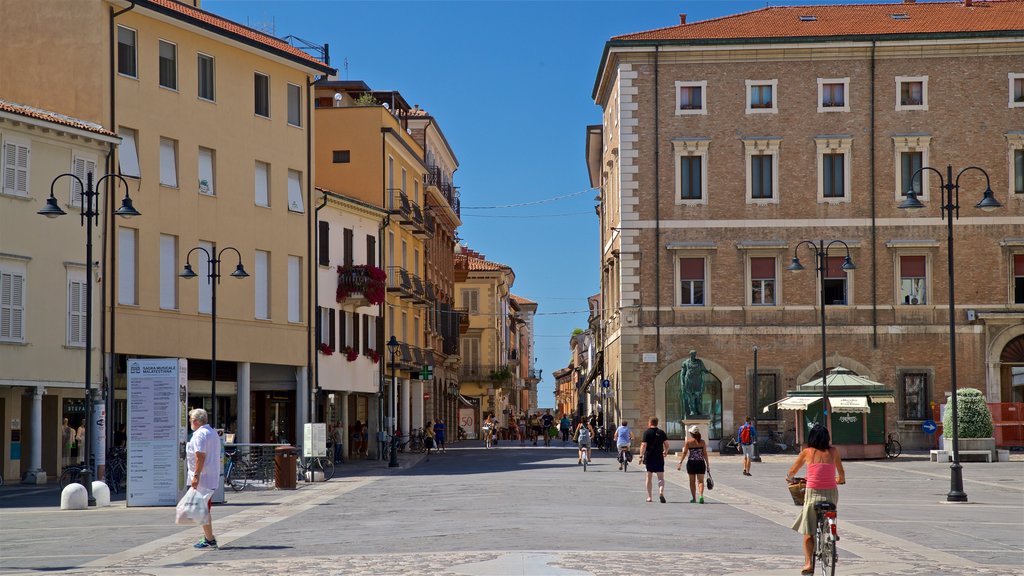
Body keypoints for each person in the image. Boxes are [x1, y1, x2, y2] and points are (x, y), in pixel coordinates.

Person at [786, 424, 846, 575]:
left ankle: (808, 564)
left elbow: (793, 470)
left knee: (808, 531)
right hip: (831, 494)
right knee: (830, 512)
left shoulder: (807, 452)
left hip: (813, 493)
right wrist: (841, 479)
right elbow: (841, 471)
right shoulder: (833, 452)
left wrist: (789, 478)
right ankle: (830, 529)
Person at [186, 408, 221, 549]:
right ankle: (208, 537)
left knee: (201, 509)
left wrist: (196, 476)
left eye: (191, 420)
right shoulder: (212, 433)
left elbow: (200, 456)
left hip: (203, 477)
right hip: (210, 476)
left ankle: (209, 538)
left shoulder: (200, 435)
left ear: (196, 421)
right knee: (204, 507)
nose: (190, 423)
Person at [639, 416, 669, 503]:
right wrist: (665, 451)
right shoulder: (661, 432)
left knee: (649, 477)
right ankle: (661, 492)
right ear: (657, 423)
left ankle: (649, 497)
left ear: (650, 423)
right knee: (661, 478)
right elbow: (667, 444)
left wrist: (641, 456)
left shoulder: (647, 433)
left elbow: (644, 445)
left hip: (649, 457)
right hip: (659, 457)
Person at [678, 424, 710, 503]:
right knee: (701, 481)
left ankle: (694, 498)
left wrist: (680, 462)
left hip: (691, 463)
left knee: (692, 482)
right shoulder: (702, 442)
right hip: (700, 463)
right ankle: (701, 496)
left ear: (692, 434)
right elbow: (705, 454)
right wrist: (708, 464)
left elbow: (685, 453)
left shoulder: (688, 442)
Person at [678, 349, 710, 417]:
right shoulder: (686, 362)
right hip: (688, 382)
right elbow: (682, 374)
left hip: (697, 382)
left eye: (694, 354)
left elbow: (704, 370)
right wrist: (682, 383)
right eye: (692, 355)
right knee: (690, 397)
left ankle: (698, 410)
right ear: (690, 355)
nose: (693, 356)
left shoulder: (699, 362)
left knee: (698, 396)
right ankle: (692, 411)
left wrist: (708, 371)